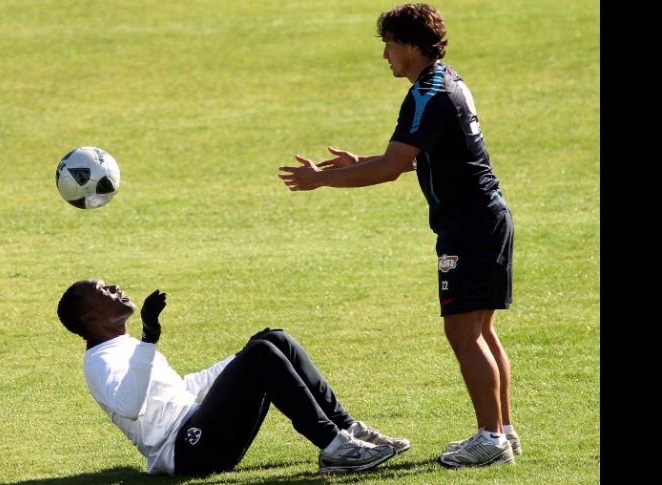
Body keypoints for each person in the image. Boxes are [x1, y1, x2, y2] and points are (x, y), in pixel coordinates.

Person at [278, 3, 519, 468]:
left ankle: (490, 437)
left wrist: (321, 180)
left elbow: (391, 169)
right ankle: (502, 432)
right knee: (481, 329)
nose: (386, 55)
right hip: (484, 219)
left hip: (469, 225)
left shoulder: (427, 93)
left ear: (411, 45)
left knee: (464, 331)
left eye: (389, 44)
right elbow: (417, 156)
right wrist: (360, 162)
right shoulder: (448, 80)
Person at [56, 279, 411, 475]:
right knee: (260, 355)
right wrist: (149, 337)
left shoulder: (122, 346)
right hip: (186, 452)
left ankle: (349, 430)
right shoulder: (99, 362)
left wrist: (239, 359)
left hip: (197, 427)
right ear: (89, 318)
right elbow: (130, 407)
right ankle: (335, 448)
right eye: (104, 290)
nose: (116, 287)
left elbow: (180, 391)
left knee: (272, 340)